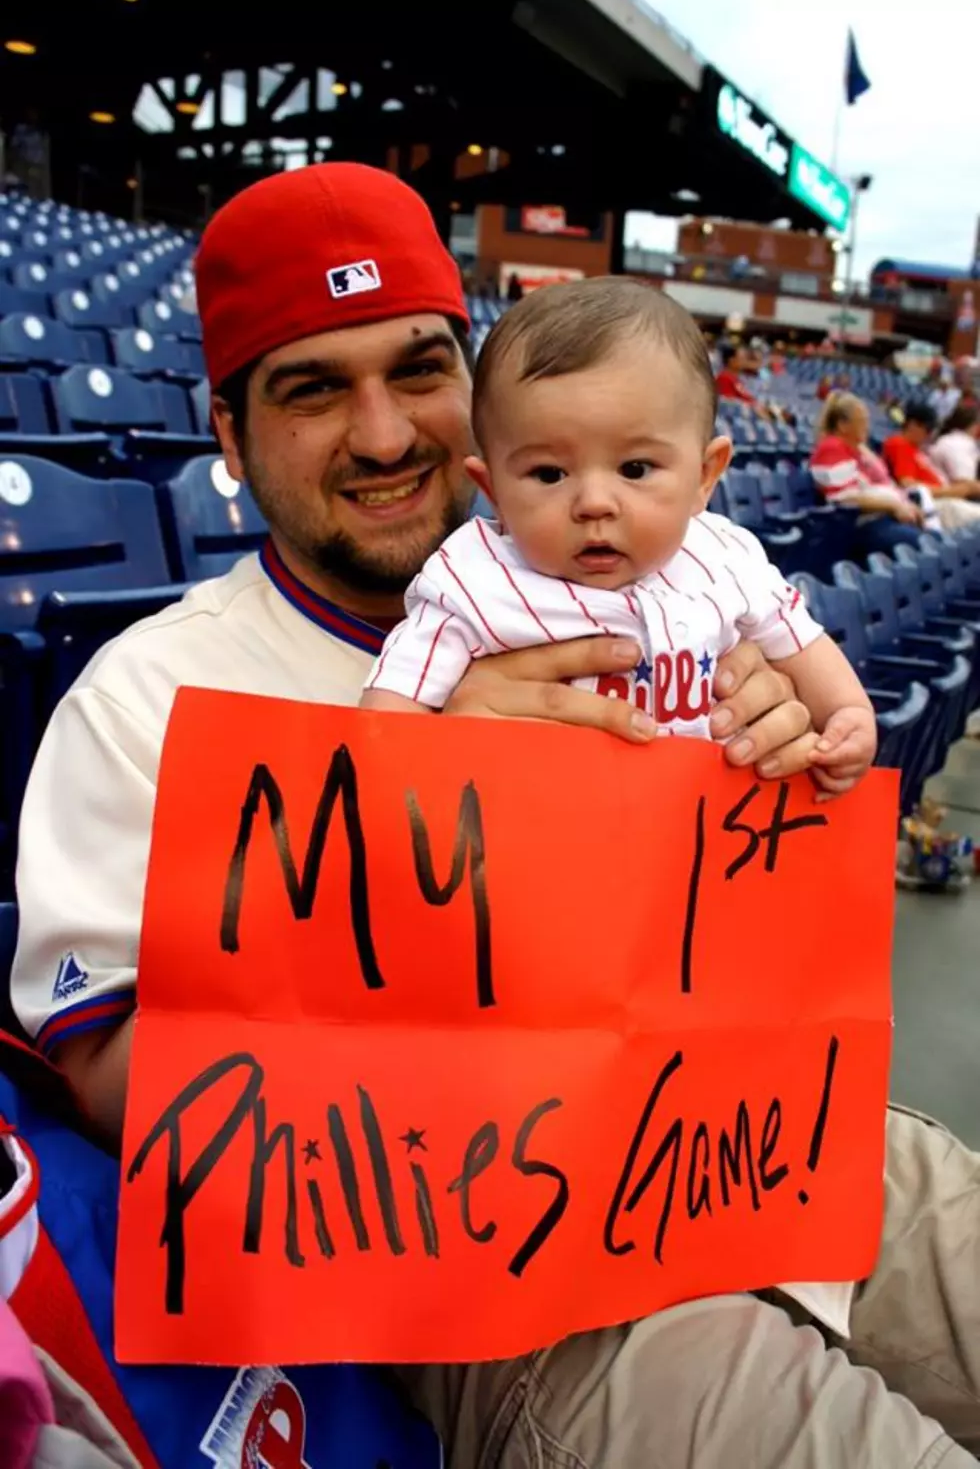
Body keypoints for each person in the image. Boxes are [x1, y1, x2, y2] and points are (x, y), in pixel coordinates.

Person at [10, 164, 980, 1468]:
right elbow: (117, 1087)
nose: (383, 432)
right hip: (485, 1269)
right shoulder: (144, 702)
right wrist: (410, 835)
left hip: (751, 1148)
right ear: (229, 439)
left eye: (417, 368)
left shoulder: (650, 583)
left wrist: (786, 756)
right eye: (310, 387)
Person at [362, 279, 875, 799]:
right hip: (536, 828)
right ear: (492, 490)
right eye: (548, 474)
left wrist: (848, 716)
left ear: (704, 476)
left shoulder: (724, 557)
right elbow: (389, 719)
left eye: (634, 467)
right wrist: (411, 774)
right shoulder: (474, 579)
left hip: (691, 831)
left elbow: (799, 641)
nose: (594, 503)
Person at [809, 391, 926, 556]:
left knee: (934, 540)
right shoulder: (831, 448)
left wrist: (905, 503)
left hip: (880, 521)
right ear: (843, 425)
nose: (867, 427)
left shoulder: (856, 451)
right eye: (862, 421)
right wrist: (894, 505)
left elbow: (881, 483)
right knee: (923, 545)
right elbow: (844, 498)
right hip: (859, 529)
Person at [883, 399, 980, 531]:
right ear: (912, 425)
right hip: (934, 505)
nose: (930, 435)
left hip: (946, 501)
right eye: (928, 429)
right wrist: (954, 491)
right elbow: (909, 486)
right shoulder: (899, 444)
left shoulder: (916, 450)